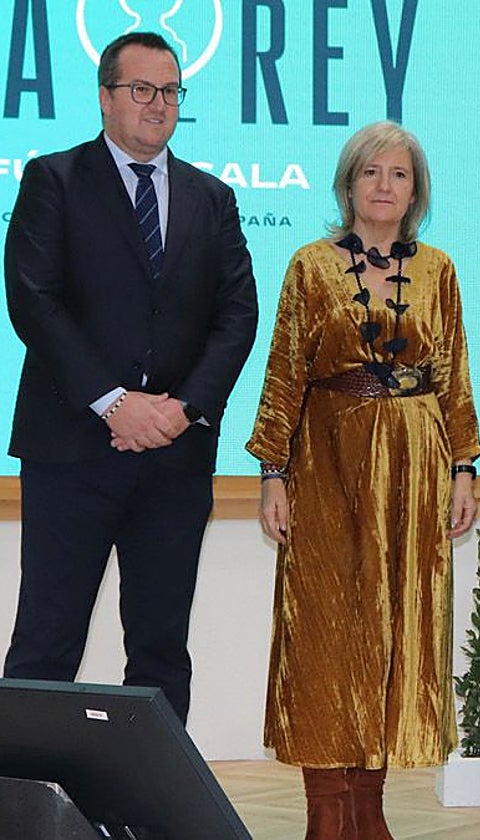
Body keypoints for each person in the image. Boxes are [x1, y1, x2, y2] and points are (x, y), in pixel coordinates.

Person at [2, 32, 257, 723]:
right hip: (70, 453)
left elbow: (237, 315)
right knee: (47, 644)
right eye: (142, 89)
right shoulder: (53, 179)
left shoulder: (212, 197)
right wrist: (114, 403)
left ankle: (150, 792)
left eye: (170, 91)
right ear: (105, 98)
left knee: (161, 650)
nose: (158, 104)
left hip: (175, 459)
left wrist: (182, 409)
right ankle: (25, 789)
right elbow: (34, 301)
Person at [246, 121, 480, 840]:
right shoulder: (310, 267)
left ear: (417, 192)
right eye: (371, 172)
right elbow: (285, 371)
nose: (385, 185)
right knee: (326, 631)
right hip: (328, 461)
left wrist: (463, 467)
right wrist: (274, 472)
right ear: (347, 184)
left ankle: (367, 806)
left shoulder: (438, 270)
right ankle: (326, 809)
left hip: (416, 464)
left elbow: (454, 374)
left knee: (394, 630)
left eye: (399, 174)